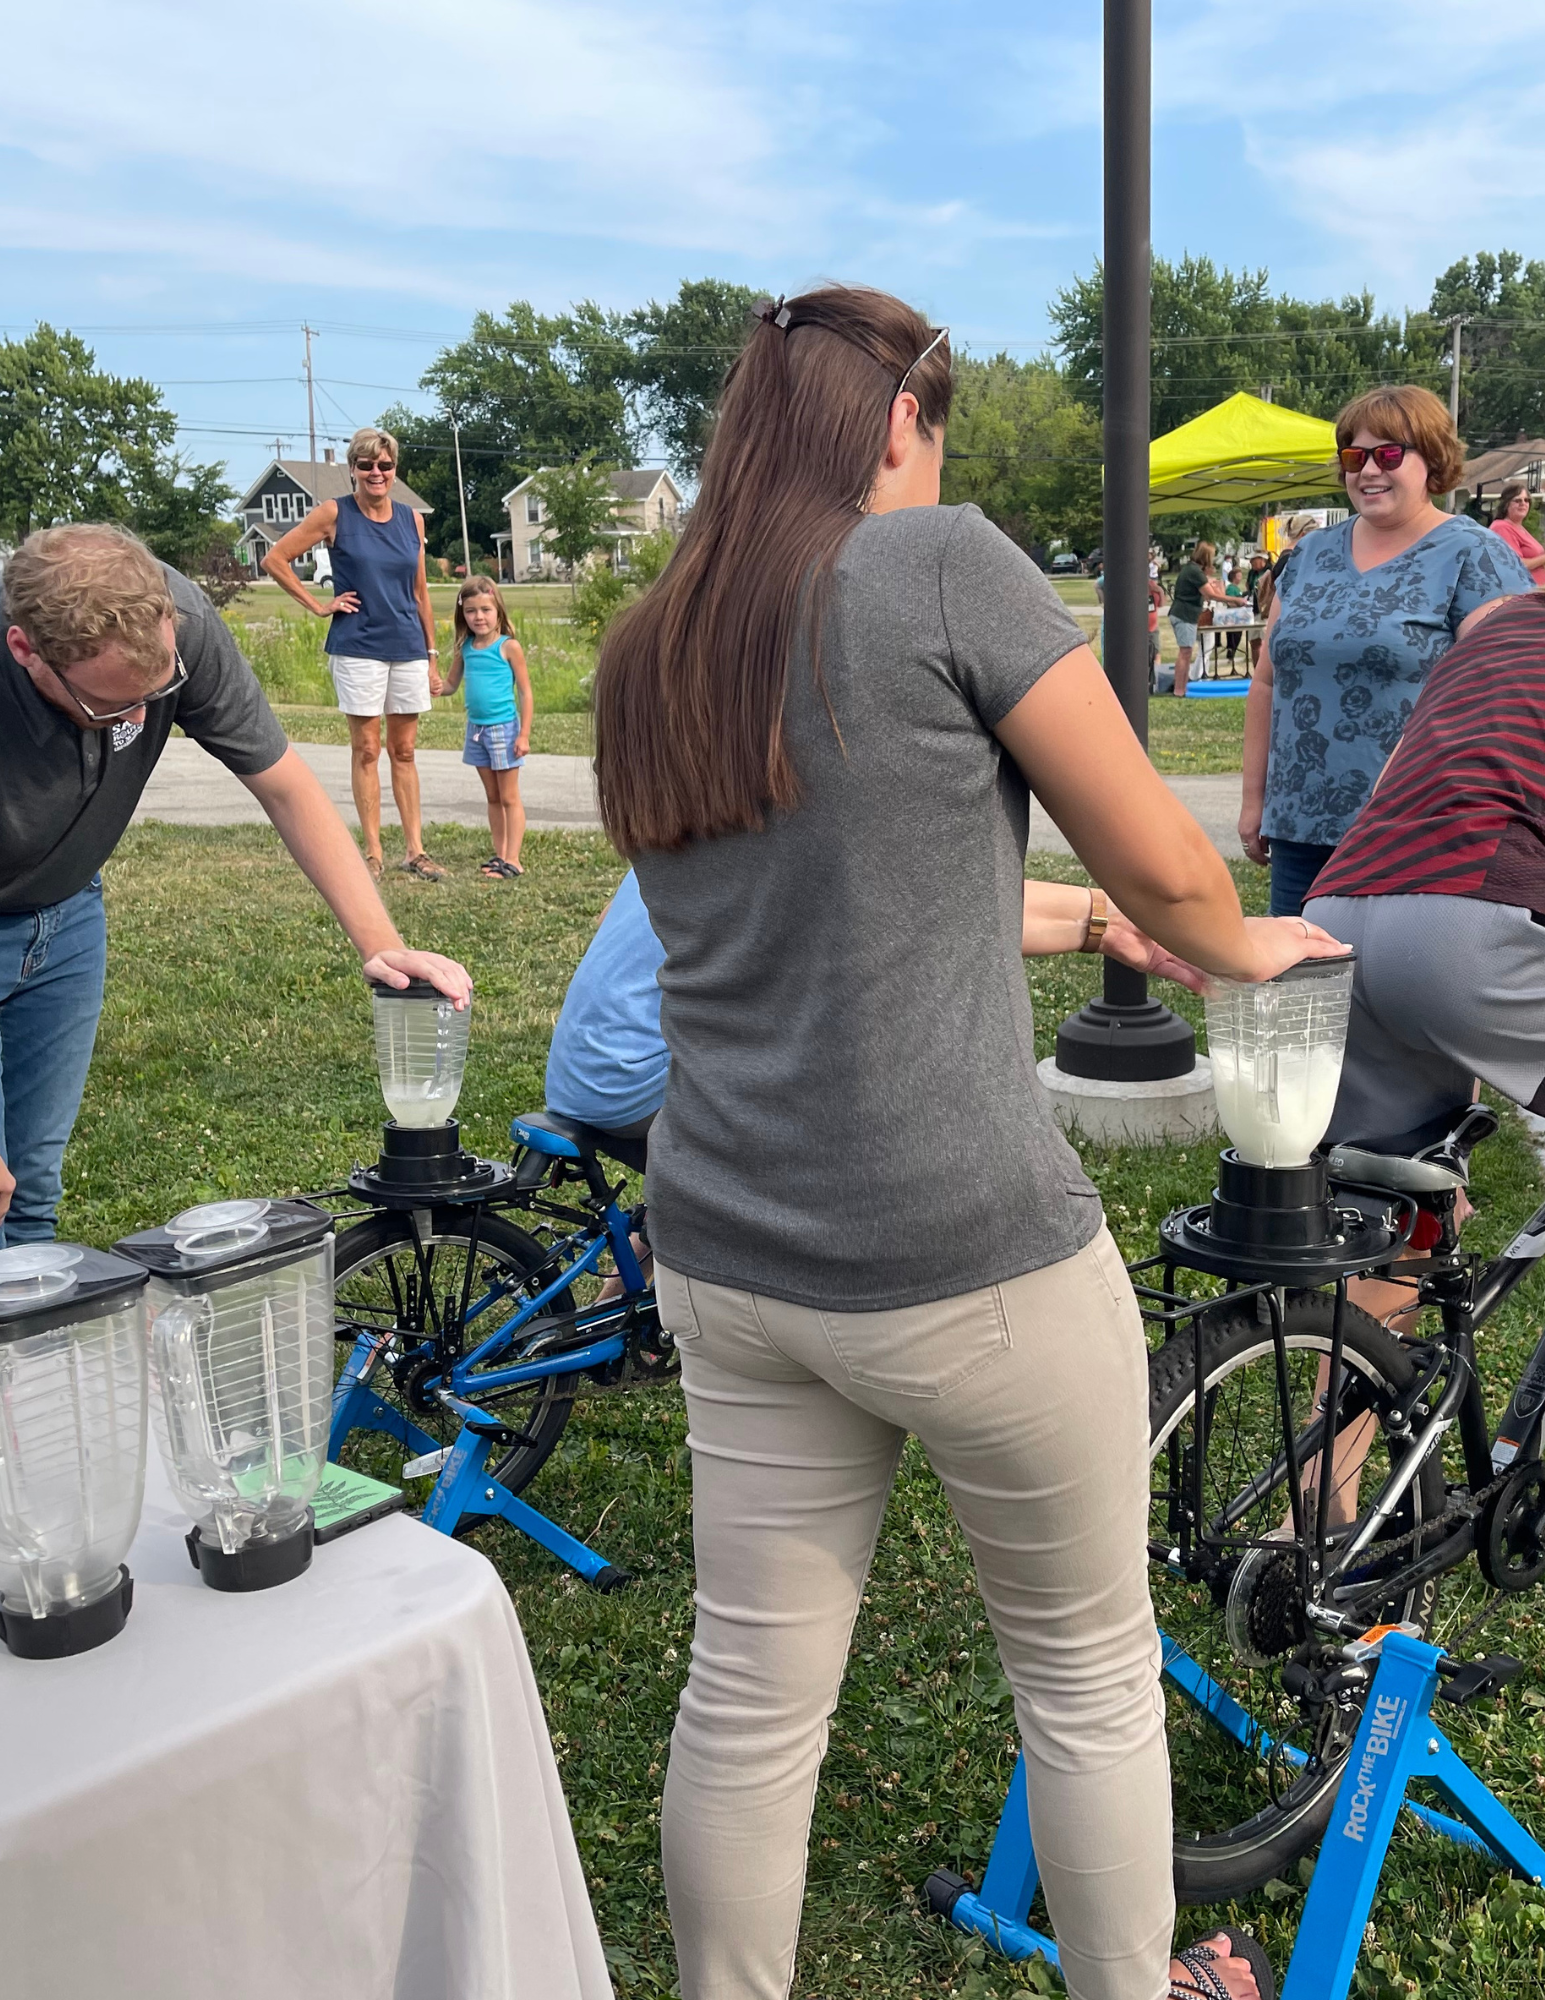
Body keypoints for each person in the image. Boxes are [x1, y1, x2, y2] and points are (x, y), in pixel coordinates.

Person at [593, 282, 1345, 2000]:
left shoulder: (655, 643)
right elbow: (1172, 861)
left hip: (726, 1249)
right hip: (962, 1251)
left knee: (750, 1695)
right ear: (901, 420)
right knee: (1086, 1672)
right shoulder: (937, 566)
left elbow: (835, 894)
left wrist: (1080, 929)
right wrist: (1237, 945)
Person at [0, 523, 471, 1245]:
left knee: (28, 1186)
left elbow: (283, 784)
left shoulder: (178, 619)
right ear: (25, 649)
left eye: (151, 699)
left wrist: (380, 943)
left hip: (65, 918)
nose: (132, 724)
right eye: (106, 707)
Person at [1240, 386, 1533, 917]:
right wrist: (1253, 800)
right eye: (1355, 456)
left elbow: (1502, 693)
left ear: (1432, 459)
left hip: (1414, 832)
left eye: (1389, 454)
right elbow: (1266, 681)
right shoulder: (1309, 554)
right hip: (1299, 831)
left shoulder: (1474, 553)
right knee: (1302, 994)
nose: (1369, 470)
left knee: (1394, 994)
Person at [261, 427, 446, 882]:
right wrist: (319, 604)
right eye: (366, 465)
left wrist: (433, 655)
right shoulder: (334, 514)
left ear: (394, 469)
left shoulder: (412, 520)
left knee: (404, 751)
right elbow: (276, 559)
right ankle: (372, 852)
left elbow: (420, 592)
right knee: (367, 749)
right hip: (358, 646)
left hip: (407, 647)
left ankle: (415, 850)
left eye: (384, 465)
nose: (376, 472)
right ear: (353, 470)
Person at [438, 577, 533, 880]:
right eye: (471, 611)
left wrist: (524, 734)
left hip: (504, 729)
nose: (478, 617)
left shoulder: (509, 647)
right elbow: (452, 684)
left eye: (485, 610)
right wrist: (438, 686)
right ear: (462, 614)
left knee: (509, 797)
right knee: (492, 797)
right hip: (476, 730)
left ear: (498, 611)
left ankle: (514, 859)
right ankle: (500, 854)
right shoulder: (464, 648)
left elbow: (526, 692)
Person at [1168, 539, 1228, 697]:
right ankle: (1179, 689)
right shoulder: (1194, 572)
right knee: (1185, 652)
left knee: (1186, 651)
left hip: (1184, 614)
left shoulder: (1192, 570)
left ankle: (1182, 687)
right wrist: (1235, 600)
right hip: (1184, 614)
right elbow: (1211, 595)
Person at [1489, 479, 1545, 577]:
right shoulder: (1501, 527)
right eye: (1517, 500)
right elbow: (1515, 564)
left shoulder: (1520, 528)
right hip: (1521, 591)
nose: (1523, 503)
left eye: (1526, 500)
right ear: (1506, 505)